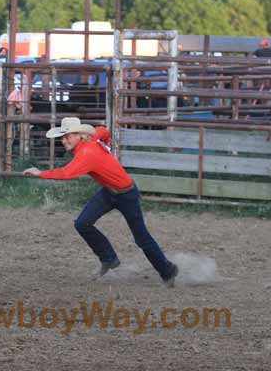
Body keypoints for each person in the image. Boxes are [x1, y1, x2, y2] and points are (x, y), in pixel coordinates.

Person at [23, 117, 178, 287]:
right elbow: (103, 130)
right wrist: (105, 141)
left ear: (80, 135)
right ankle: (109, 258)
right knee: (82, 223)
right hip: (109, 191)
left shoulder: (86, 153)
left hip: (126, 195)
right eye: (63, 136)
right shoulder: (91, 140)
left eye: (67, 136)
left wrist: (40, 173)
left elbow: (66, 173)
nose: (63, 140)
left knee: (141, 238)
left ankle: (167, 271)